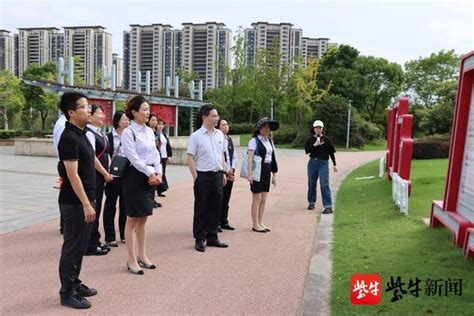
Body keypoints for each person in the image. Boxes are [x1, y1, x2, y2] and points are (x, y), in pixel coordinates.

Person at [57, 92, 97, 309]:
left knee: (81, 245)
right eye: (84, 107)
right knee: (72, 246)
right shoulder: (69, 138)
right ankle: (67, 292)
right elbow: (72, 175)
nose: (89, 109)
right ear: (71, 112)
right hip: (74, 203)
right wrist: (86, 204)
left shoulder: (81, 133)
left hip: (86, 198)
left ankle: (75, 281)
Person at [122, 95, 162, 274]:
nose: (148, 113)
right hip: (135, 177)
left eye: (148, 109)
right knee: (132, 219)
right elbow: (133, 157)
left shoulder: (149, 131)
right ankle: (131, 259)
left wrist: (159, 173)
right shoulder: (128, 132)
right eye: (144, 110)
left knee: (143, 219)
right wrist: (150, 172)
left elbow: (156, 154)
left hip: (151, 177)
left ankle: (142, 255)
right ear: (134, 112)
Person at [187, 104, 229, 252]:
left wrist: (224, 172)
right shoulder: (196, 136)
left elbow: (222, 155)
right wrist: (195, 177)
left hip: (217, 174)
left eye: (217, 116)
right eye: (213, 116)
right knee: (201, 208)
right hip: (203, 176)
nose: (216, 119)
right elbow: (190, 157)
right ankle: (199, 238)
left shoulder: (219, 135)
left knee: (216, 207)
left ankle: (212, 236)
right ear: (204, 117)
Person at [85, 105, 114, 256]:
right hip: (94, 176)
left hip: (101, 176)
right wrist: (104, 173)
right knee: (93, 209)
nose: (102, 116)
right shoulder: (89, 133)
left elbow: (106, 154)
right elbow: (92, 157)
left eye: (103, 114)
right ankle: (90, 244)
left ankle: (95, 240)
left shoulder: (100, 133)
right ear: (90, 116)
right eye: (99, 114)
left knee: (98, 208)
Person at [247, 117, 279, 233]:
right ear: (259, 128)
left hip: (267, 169)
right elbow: (250, 158)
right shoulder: (254, 141)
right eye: (264, 127)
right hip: (257, 170)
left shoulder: (269, 141)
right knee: (257, 198)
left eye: (268, 127)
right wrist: (250, 174)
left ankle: (261, 222)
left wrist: (274, 174)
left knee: (264, 198)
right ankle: (255, 224)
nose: (266, 129)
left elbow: (273, 158)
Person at [103, 111, 129, 247]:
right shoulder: (108, 137)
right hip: (113, 176)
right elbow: (105, 154)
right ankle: (110, 236)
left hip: (127, 175)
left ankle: (125, 234)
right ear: (117, 121)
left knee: (125, 206)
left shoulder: (130, 136)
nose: (127, 122)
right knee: (110, 205)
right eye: (124, 119)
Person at [304, 120, 337, 213]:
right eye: (316, 128)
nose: (318, 129)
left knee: (324, 184)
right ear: (313, 129)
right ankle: (311, 202)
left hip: (323, 163)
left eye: (320, 128)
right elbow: (307, 151)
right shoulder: (310, 140)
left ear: (322, 129)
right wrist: (315, 145)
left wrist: (334, 164)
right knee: (311, 183)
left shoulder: (327, 140)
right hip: (312, 163)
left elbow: (331, 152)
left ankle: (328, 206)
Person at [217, 118, 237, 231]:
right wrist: (226, 170)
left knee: (226, 199)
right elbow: (220, 156)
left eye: (227, 125)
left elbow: (233, 156)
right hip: (222, 172)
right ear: (219, 127)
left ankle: (224, 221)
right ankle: (217, 222)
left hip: (230, 173)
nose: (226, 127)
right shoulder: (218, 140)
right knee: (219, 199)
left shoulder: (229, 140)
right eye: (223, 125)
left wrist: (232, 169)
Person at [53, 112, 67, 234]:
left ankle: (65, 223)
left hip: (64, 162)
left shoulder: (62, 123)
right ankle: (65, 224)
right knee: (67, 192)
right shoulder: (63, 125)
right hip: (66, 162)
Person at [155, 117, 172, 197]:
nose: (160, 126)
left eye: (162, 124)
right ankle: (161, 188)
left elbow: (167, 146)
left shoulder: (164, 134)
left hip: (164, 156)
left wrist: (169, 155)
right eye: (159, 124)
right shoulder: (154, 134)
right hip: (158, 156)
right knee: (159, 172)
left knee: (163, 172)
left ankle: (160, 189)